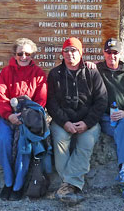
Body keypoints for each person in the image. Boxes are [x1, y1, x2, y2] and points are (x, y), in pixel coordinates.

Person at [47, 37, 107, 205]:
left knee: (86, 143)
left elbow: (101, 100)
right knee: (60, 142)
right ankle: (71, 186)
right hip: (63, 121)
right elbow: (51, 102)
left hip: (87, 121)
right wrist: (65, 122)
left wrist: (87, 122)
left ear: (81, 53)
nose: (70, 54)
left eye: (74, 50)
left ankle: (66, 186)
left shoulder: (92, 72)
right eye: (66, 50)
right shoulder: (54, 74)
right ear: (62, 53)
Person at [0, 38, 47, 201]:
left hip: (28, 118)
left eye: (27, 54)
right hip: (7, 116)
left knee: (24, 146)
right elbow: (1, 98)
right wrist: (9, 115)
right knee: (3, 140)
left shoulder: (39, 73)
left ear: (32, 55)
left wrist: (25, 117)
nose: (24, 56)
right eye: (20, 53)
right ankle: (8, 182)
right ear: (15, 55)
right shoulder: (6, 72)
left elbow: (41, 100)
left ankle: (18, 185)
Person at [96, 38, 124, 199]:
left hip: (120, 117)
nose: (112, 56)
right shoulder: (96, 70)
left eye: (115, 53)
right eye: (108, 52)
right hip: (100, 117)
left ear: (120, 54)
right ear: (104, 53)